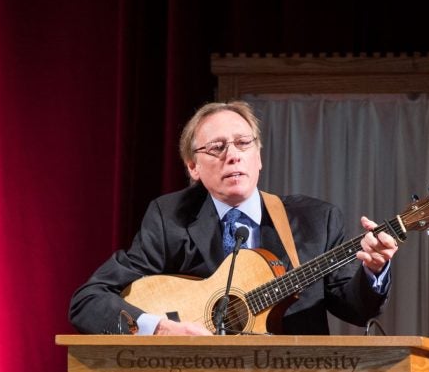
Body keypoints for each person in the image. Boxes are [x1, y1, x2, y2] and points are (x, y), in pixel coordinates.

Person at [68, 101, 398, 335]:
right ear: (193, 167)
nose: (233, 155)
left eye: (243, 143)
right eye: (216, 147)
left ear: (258, 158)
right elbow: (88, 301)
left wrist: (374, 270)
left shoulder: (316, 220)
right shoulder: (170, 219)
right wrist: (159, 329)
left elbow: (356, 309)